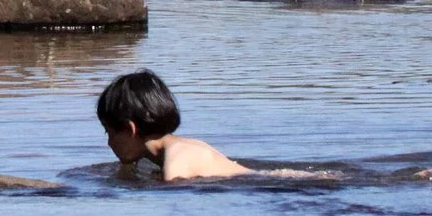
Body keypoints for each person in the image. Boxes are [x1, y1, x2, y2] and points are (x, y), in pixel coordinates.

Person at [96, 68, 318, 181]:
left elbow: (178, 195)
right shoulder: (182, 146)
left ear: (130, 129)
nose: (108, 143)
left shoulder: (177, 161)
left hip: (290, 186)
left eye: (109, 132)